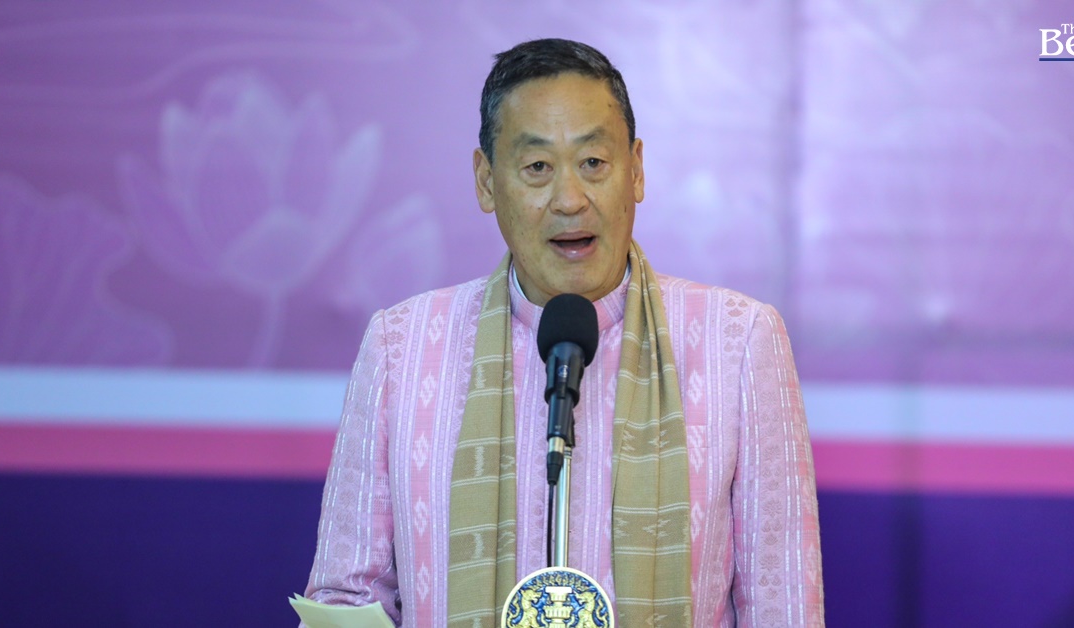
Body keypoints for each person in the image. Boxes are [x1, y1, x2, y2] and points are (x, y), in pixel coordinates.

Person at [302, 38, 824, 627]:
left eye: (593, 163)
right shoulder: (401, 346)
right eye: (537, 168)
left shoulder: (738, 340)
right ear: (486, 181)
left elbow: (784, 605)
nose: (570, 200)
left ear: (637, 170)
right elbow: (345, 600)